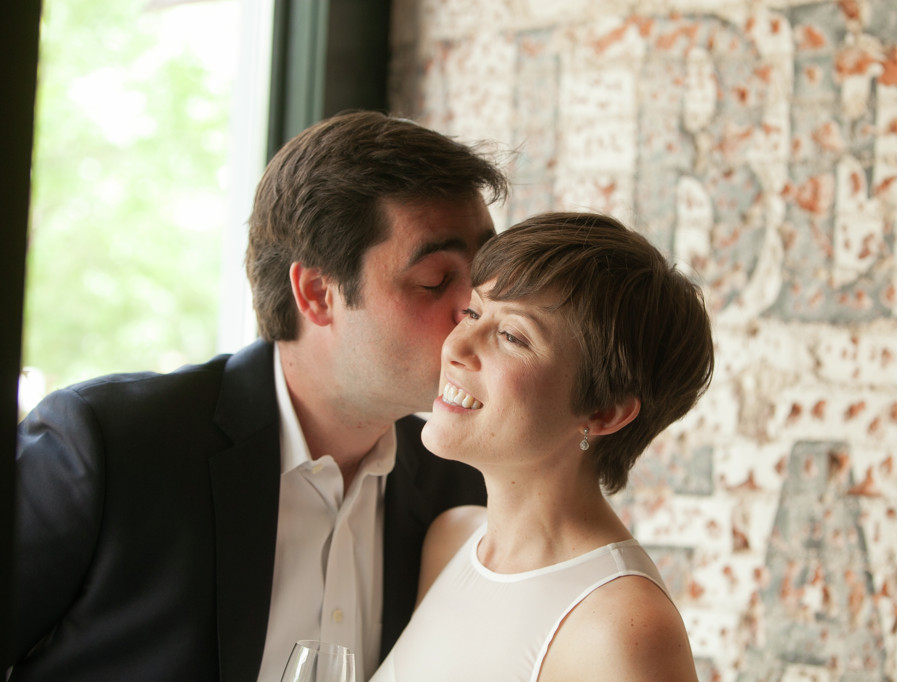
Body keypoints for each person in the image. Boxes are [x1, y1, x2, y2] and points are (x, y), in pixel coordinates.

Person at [9, 110, 508, 682]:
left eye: (484, 274)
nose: (476, 308)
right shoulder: (108, 447)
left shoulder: (465, 487)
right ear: (316, 293)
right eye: (435, 280)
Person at [369, 212, 713, 682]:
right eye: (473, 312)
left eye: (511, 336)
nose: (455, 347)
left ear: (604, 412)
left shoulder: (623, 626)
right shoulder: (450, 539)